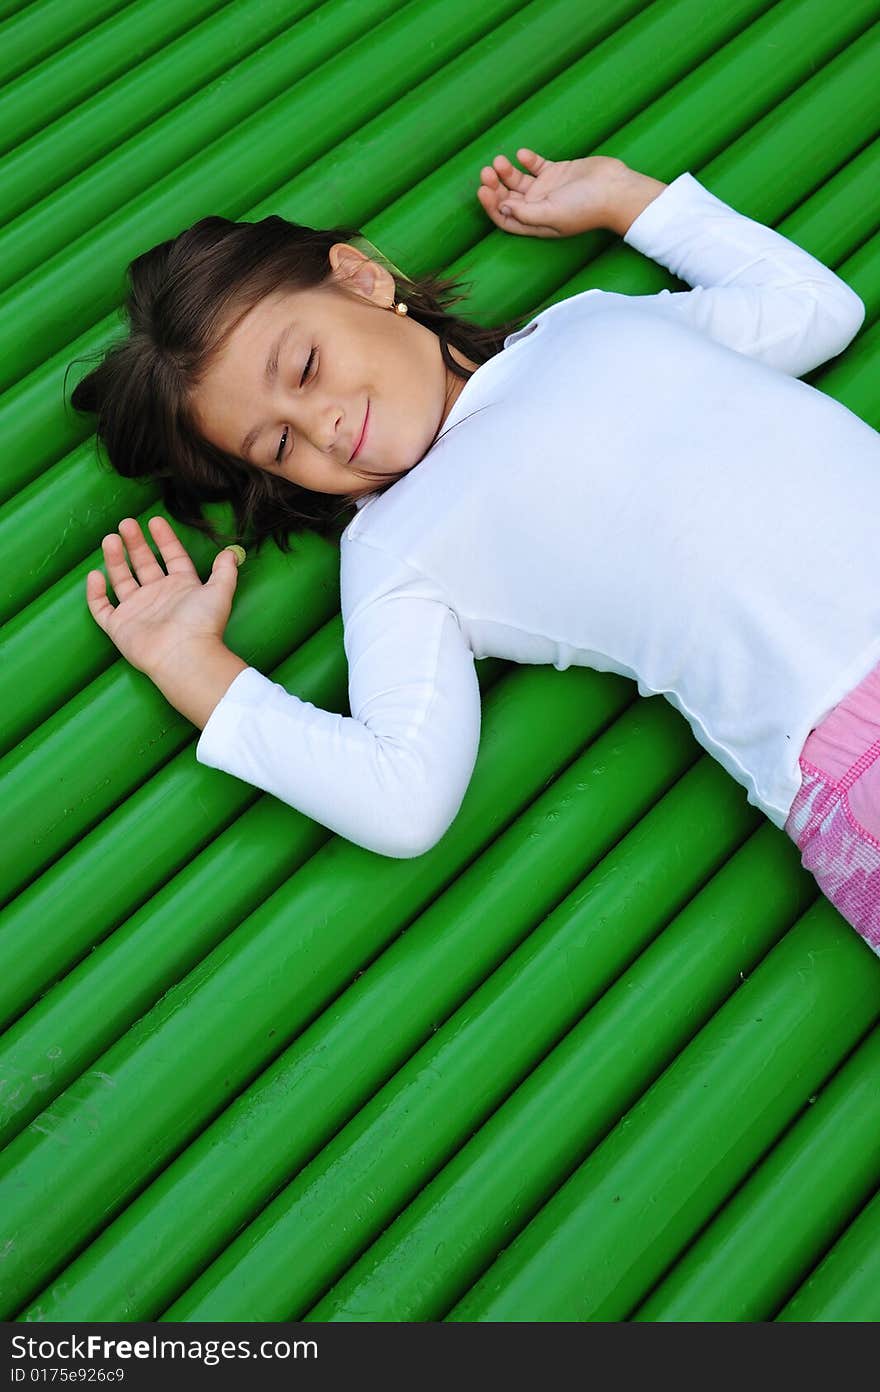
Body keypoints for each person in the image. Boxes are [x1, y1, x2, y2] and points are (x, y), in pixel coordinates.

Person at [71, 149, 880, 955]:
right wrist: (191, 664)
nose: (320, 425)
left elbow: (816, 308)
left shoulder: (589, 321)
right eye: (279, 442)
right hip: (851, 737)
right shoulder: (397, 546)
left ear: (360, 279)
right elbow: (401, 800)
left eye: (307, 367)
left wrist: (628, 200)